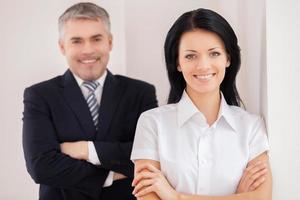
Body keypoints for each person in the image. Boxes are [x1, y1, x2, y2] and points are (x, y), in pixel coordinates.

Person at [130, 8, 272, 200]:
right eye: (190, 56)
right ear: (178, 63)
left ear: (228, 58)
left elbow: (262, 198)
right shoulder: (152, 123)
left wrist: (175, 197)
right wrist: (238, 196)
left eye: (214, 53)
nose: (203, 65)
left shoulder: (251, 127)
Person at [22, 2, 157, 200]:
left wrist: (86, 149)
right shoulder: (40, 96)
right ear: (62, 46)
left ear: (110, 42)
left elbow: (151, 158)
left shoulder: (140, 93)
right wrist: (109, 175)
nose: (88, 50)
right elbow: (41, 166)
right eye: (77, 41)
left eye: (96, 39)